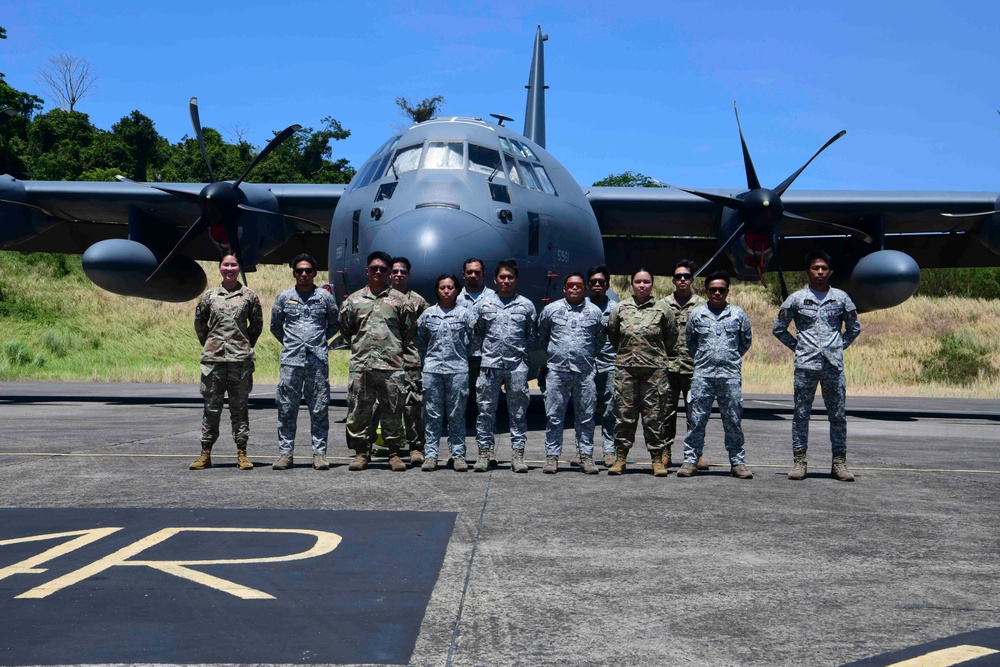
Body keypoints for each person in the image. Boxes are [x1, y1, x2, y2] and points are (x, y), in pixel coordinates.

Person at [773, 250, 862, 481]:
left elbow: (854, 328)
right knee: (801, 414)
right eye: (815, 268)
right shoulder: (796, 299)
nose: (820, 272)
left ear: (829, 271)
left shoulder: (841, 298)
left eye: (824, 268)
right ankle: (799, 462)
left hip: (833, 366)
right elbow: (778, 328)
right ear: (808, 271)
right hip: (806, 366)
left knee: (838, 415)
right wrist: (799, 347)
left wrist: (837, 347)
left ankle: (839, 464)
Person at [340, 251, 413, 472]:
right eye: (374, 268)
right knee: (359, 410)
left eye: (383, 269)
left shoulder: (401, 301)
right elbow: (347, 330)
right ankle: (362, 453)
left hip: (391, 366)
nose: (378, 272)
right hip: (362, 366)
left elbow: (408, 332)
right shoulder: (353, 301)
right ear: (367, 271)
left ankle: (394, 454)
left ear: (390, 273)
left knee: (393, 410)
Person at [190, 253, 263, 471]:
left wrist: (243, 344)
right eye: (226, 265)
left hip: (240, 361)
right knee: (211, 408)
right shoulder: (210, 296)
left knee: (239, 408)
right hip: (213, 361)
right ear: (220, 267)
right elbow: (200, 323)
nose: (229, 268)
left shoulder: (249, 296)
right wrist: (211, 344)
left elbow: (256, 325)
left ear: (239, 268)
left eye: (233, 264)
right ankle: (205, 453)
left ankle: (242, 453)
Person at [678, 271, 753, 479]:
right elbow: (690, 342)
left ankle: (738, 463)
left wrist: (729, 359)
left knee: (733, 420)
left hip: (729, 376)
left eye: (721, 289)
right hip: (703, 375)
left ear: (728, 291)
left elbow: (745, 342)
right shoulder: (697, 314)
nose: (717, 293)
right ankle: (690, 461)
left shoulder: (738, 314)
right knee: (696, 420)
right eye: (713, 290)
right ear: (706, 291)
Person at [270, 253, 339, 471]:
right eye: (299, 270)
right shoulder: (284, 297)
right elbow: (275, 326)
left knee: (319, 408)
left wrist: (318, 342)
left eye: (308, 270)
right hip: (291, 361)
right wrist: (292, 343)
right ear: (294, 273)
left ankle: (319, 455)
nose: (304, 274)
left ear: (315, 273)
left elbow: (335, 323)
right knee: (286, 408)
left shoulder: (325, 297)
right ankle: (285, 454)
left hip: (317, 361)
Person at [606, 268, 678, 476]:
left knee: (654, 416)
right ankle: (620, 458)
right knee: (624, 415)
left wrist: (654, 356)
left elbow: (671, 337)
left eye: (646, 282)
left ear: (652, 284)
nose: (642, 285)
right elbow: (614, 335)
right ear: (632, 284)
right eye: (638, 281)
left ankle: (657, 459)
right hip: (626, 370)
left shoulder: (663, 309)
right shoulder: (620, 308)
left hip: (654, 372)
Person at [472, 258, 537, 473]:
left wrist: (522, 359)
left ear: (516, 280)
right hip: (490, 366)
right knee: (485, 409)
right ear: (495, 279)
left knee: (518, 411)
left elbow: (531, 336)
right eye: (502, 277)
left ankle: (517, 455)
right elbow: (477, 332)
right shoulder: (484, 304)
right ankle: (484, 453)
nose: (506, 281)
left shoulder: (526, 305)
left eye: (510, 277)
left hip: (516, 366)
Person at [537, 273, 605, 474]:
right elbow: (543, 336)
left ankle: (586, 456)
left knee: (586, 418)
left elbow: (599, 340)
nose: (574, 288)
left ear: (584, 288)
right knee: (554, 417)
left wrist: (586, 357)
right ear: (564, 288)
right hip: (557, 373)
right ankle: (552, 457)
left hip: (584, 374)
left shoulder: (594, 312)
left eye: (579, 285)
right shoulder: (551, 310)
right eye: (570, 285)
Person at [416, 274, 476, 472]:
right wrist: (428, 362)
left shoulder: (465, 314)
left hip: (457, 370)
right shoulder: (428, 315)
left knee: (456, 414)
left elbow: (473, 342)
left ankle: (458, 455)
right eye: (442, 287)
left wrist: (460, 357)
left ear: (457, 290)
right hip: (433, 370)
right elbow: (421, 342)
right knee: (433, 415)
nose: (446, 291)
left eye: (450, 287)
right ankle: (431, 455)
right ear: (437, 290)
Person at [663, 259, 708, 470]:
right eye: (679, 276)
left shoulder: (703, 305)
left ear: (692, 279)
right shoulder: (662, 304)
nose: (682, 280)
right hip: (668, 367)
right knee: (666, 412)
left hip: (694, 368)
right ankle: (665, 451)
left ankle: (695, 453)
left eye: (686, 276)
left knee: (695, 413)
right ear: (673, 280)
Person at [389, 256, 430, 464]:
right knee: (385, 406)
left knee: (413, 406)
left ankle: (416, 447)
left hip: (411, 361)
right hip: (385, 361)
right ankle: (391, 448)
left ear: (408, 275)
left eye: (402, 272)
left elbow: (428, 329)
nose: (398, 275)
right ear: (390, 274)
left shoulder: (418, 302)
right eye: (395, 271)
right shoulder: (381, 298)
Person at [584, 264, 620, 468]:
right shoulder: (580, 306)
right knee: (585, 411)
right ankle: (584, 451)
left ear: (607, 285)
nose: (597, 285)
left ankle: (609, 450)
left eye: (601, 282)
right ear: (588, 285)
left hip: (609, 365)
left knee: (609, 410)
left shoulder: (616, 309)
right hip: (586, 366)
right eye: (593, 282)